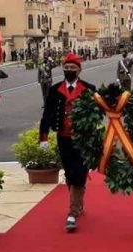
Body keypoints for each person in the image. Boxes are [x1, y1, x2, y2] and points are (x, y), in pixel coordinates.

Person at [39, 53, 97, 232]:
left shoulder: (89, 88)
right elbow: (47, 114)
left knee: (79, 172)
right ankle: (78, 202)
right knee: (70, 174)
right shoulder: (55, 89)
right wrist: (43, 137)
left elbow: (99, 110)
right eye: (67, 68)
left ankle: (72, 213)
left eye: (73, 68)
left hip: (83, 139)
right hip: (63, 137)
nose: (69, 71)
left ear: (80, 70)